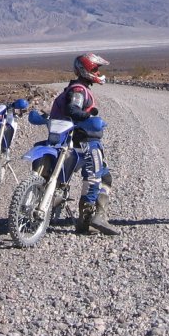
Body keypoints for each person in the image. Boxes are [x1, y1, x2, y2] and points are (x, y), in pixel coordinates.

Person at [49, 53, 119, 236]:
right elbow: (73, 109)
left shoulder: (77, 87)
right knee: (96, 175)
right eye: (95, 68)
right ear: (85, 70)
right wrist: (90, 117)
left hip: (69, 137)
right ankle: (91, 219)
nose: (97, 72)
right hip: (81, 139)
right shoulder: (79, 90)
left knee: (105, 177)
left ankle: (86, 221)